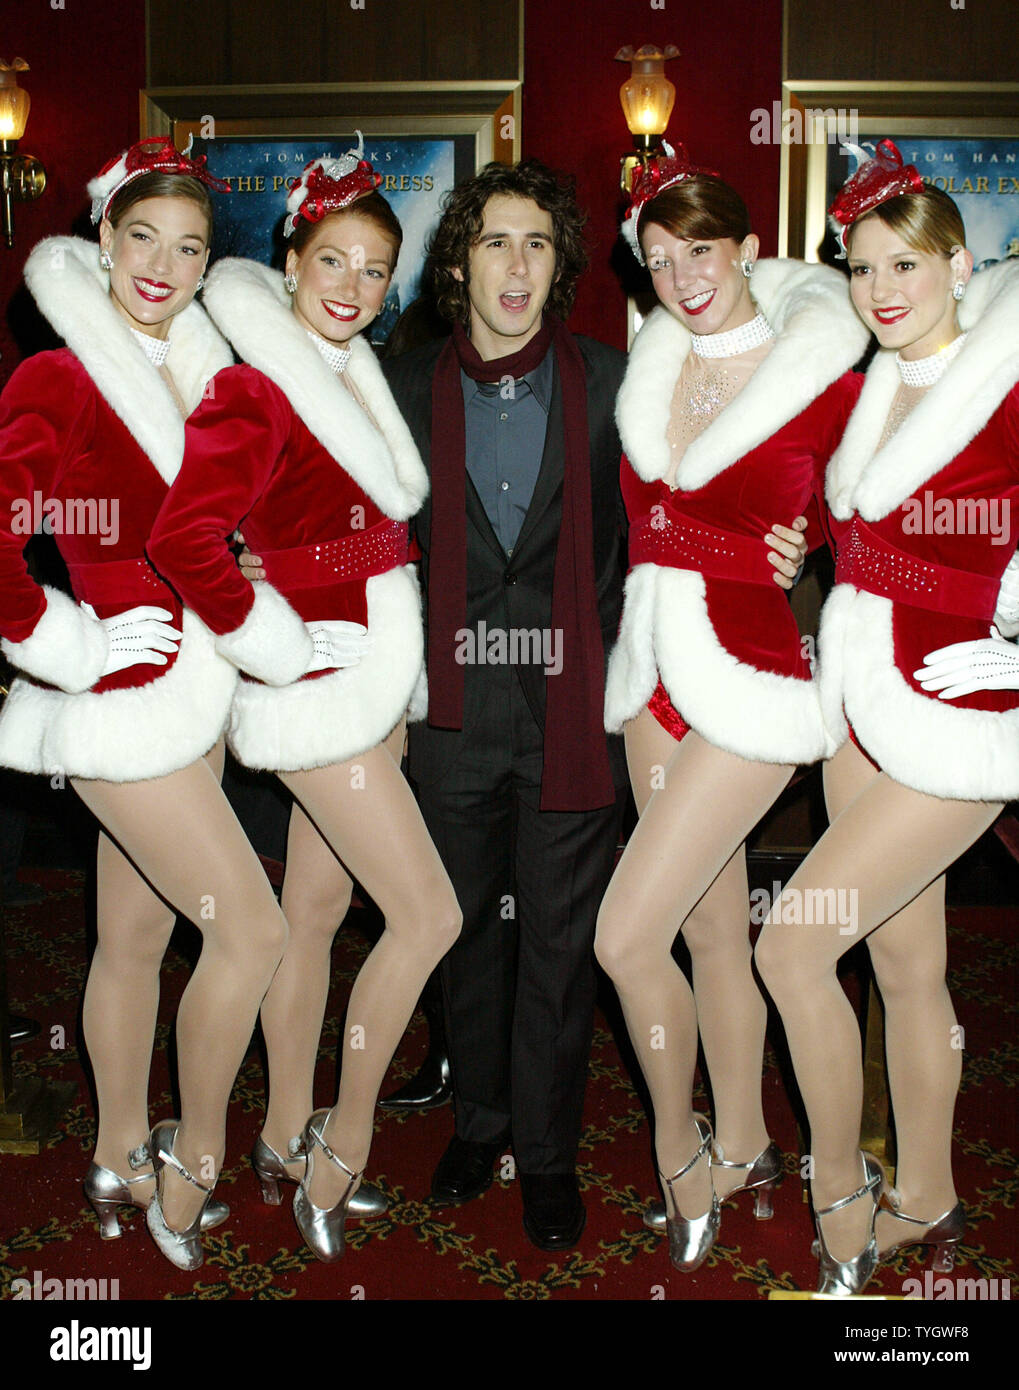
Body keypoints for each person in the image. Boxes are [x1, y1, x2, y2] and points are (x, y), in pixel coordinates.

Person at [380, 158, 806, 1250]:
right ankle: (479, 1121)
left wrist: (785, 539)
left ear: (561, 263)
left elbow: (728, 463)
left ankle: (551, 1151)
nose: (514, 266)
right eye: (492, 242)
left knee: (563, 942)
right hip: (450, 706)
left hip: (581, 704)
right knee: (466, 934)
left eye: (536, 243)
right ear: (459, 261)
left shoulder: (620, 380)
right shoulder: (399, 380)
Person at [146, 143, 462, 1263]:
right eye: (333, 259)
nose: (352, 286)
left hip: (372, 678)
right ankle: (328, 1154)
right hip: (319, 690)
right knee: (429, 917)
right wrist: (273, 643)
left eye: (376, 270)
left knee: (319, 921)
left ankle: (285, 1135)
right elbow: (184, 536)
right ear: (289, 259)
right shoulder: (255, 381)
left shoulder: (348, 371)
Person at [0, 137, 290, 1271]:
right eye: (141, 238)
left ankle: (118, 1148)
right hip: (124, 692)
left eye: (189, 246)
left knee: (133, 935)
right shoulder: (62, 374)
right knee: (252, 928)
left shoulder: (201, 370)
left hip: (198, 686)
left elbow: (214, 524)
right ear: (102, 238)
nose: (162, 265)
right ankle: (188, 1167)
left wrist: (246, 571)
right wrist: (65, 642)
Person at [594, 145, 869, 1271]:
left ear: (748, 246)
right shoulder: (648, 364)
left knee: (623, 936)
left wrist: (805, 553)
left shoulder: (824, 376)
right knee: (709, 931)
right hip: (645, 679)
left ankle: (680, 1148)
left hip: (749, 682)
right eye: (657, 258)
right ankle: (747, 1138)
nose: (680, 273)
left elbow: (888, 518)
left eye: (699, 248)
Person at [754, 140, 1019, 1295]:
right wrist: (802, 541)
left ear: (959, 265)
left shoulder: (1003, 384)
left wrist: (1002, 627)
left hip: (957, 720)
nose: (881, 290)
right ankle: (926, 1188)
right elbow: (863, 523)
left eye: (904, 264)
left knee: (792, 943)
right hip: (859, 707)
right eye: (859, 270)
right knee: (908, 968)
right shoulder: (870, 390)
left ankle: (835, 1189)